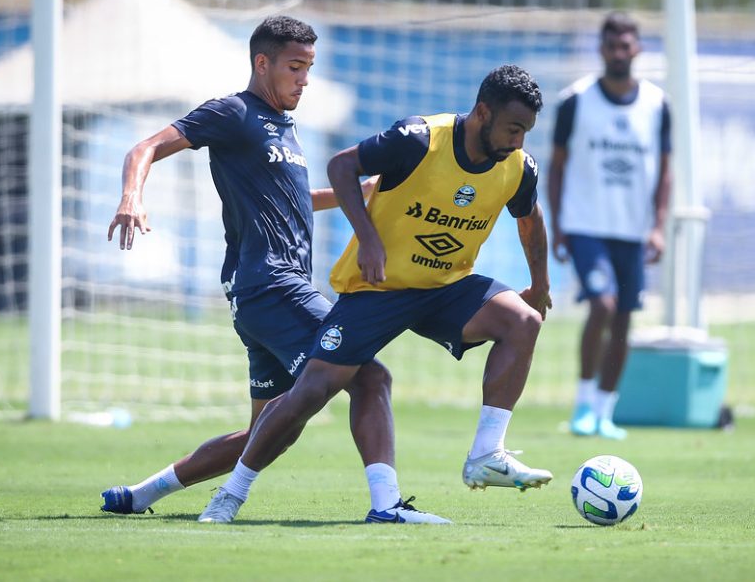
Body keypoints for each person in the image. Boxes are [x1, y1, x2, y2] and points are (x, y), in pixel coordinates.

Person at [101, 14, 448, 524]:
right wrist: (132, 196)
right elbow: (144, 147)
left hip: (264, 294)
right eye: (295, 67)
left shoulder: (285, 128)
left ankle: (139, 495)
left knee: (266, 431)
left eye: (309, 68)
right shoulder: (234, 112)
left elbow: (295, 200)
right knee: (370, 377)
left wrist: (367, 192)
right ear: (262, 63)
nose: (304, 79)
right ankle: (386, 506)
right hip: (271, 284)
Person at [196, 64, 554, 524]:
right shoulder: (419, 139)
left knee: (523, 320)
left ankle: (487, 453)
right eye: (513, 128)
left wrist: (539, 285)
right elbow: (342, 165)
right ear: (482, 112)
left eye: (526, 130)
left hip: (446, 287)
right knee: (313, 390)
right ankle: (230, 495)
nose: (519, 140)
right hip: (377, 288)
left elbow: (530, 220)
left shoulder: (518, 168)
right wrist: (367, 238)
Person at [548, 11, 672, 441]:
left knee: (623, 318)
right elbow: (557, 166)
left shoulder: (657, 103)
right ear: (601, 49)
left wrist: (657, 226)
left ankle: (605, 411)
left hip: (632, 230)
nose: (619, 53)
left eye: (627, 45)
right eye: (612, 45)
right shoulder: (576, 100)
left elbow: (666, 171)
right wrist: (558, 225)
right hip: (585, 225)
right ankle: (583, 403)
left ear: (637, 49)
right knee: (601, 304)